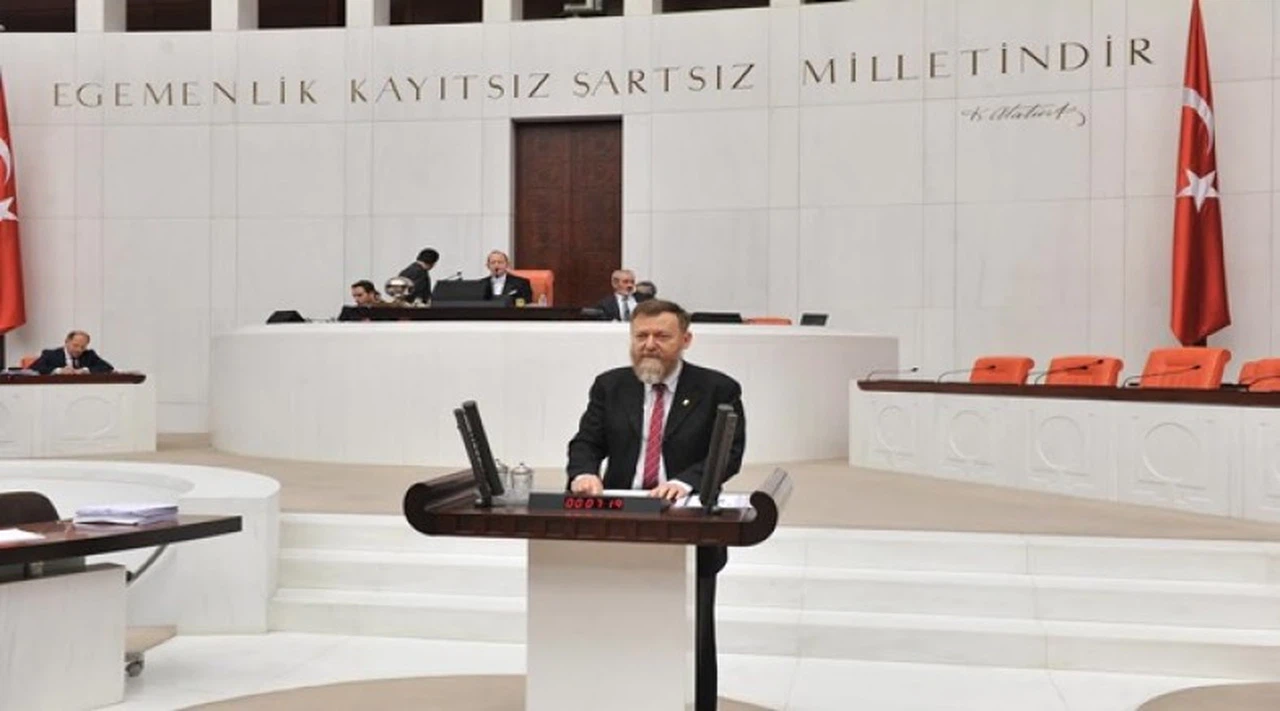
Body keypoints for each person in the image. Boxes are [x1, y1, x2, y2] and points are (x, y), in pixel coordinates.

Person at [566, 298, 745, 711]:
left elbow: (728, 452)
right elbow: (586, 442)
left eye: (661, 336)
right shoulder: (610, 385)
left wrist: (685, 482)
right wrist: (584, 473)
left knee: (691, 632)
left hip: (686, 523)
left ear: (685, 340)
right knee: (613, 625)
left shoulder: (718, 389)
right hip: (619, 518)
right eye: (641, 336)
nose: (649, 345)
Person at [29, 330, 115, 375]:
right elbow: (33, 369)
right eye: (75, 345)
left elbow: (107, 367)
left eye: (83, 347)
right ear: (67, 342)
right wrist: (58, 371)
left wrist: (85, 370)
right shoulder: (51, 354)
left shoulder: (89, 355)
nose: (79, 350)